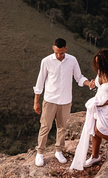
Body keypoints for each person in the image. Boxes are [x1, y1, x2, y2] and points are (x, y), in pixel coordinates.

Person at [32, 37, 88, 166]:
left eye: (61, 53)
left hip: (65, 100)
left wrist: (88, 83)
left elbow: (79, 77)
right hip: (50, 100)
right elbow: (39, 82)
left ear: (66, 49)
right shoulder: (46, 61)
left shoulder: (72, 60)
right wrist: (36, 101)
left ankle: (59, 151)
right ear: (53, 48)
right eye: (56, 52)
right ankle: (40, 153)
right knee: (45, 126)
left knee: (62, 127)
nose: (59, 55)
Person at [70, 49, 108, 170]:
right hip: (99, 102)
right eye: (96, 63)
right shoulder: (101, 71)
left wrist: (103, 103)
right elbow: (100, 86)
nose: (98, 66)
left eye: (100, 63)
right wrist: (93, 84)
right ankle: (95, 156)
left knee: (100, 129)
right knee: (94, 130)